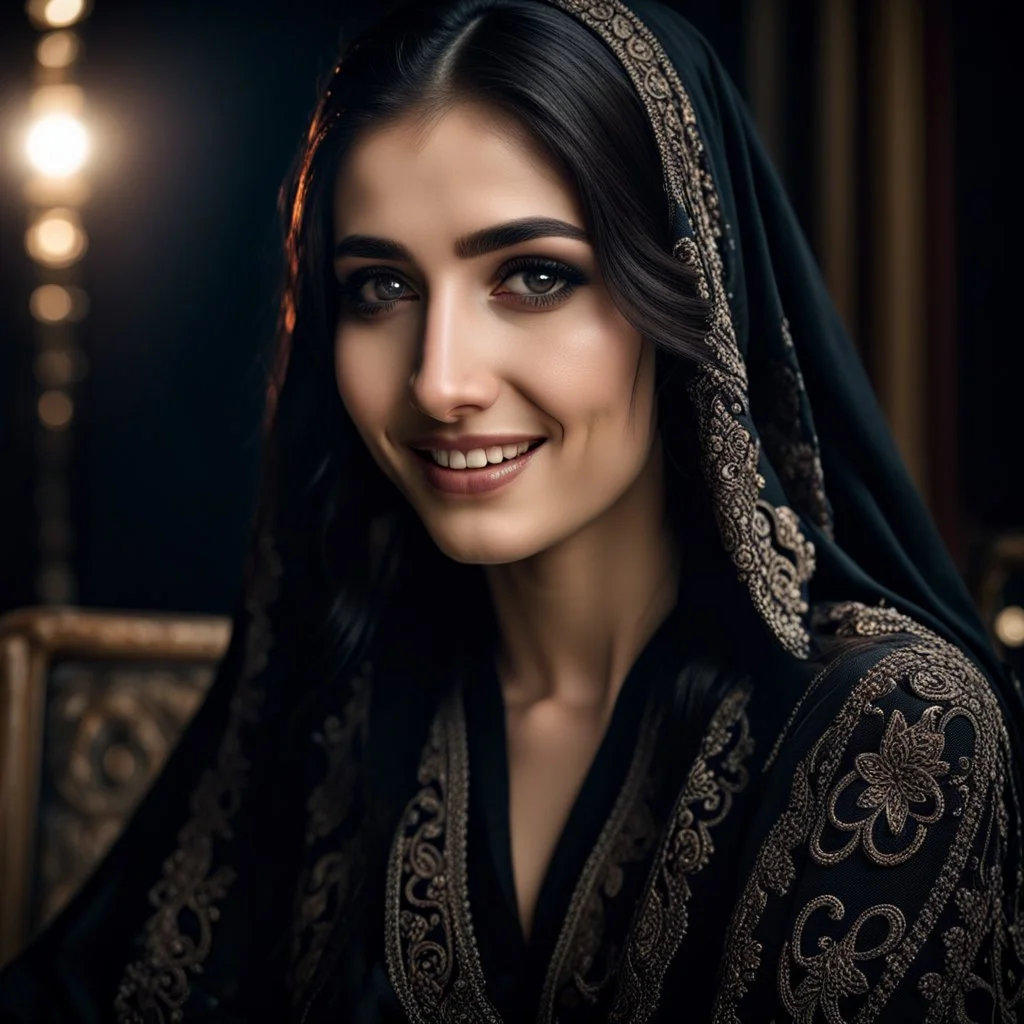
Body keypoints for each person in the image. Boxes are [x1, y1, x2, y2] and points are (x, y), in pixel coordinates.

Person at [2, 0, 1022, 1020]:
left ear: (689, 299)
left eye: (534, 277)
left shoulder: (896, 736)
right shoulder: (340, 689)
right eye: (381, 287)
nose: (440, 380)